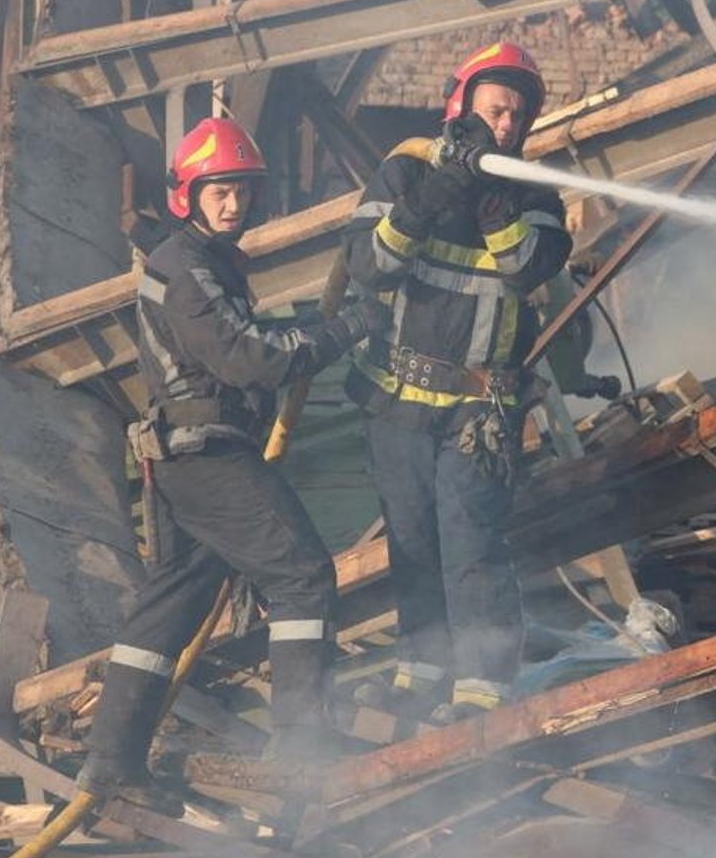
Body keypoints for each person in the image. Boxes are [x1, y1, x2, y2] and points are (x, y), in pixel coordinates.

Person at [79, 119, 381, 804]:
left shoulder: (203, 262)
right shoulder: (185, 270)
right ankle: (301, 744)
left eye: (243, 191)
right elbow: (250, 357)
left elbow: (248, 342)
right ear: (188, 195)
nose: (234, 204)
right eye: (220, 191)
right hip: (208, 456)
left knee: (168, 611)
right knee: (303, 573)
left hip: (188, 460)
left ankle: (110, 761)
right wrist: (346, 327)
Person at [342, 43, 570, 723]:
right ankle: (423, 670)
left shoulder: (533, 194)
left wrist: (489, 195)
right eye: (495, 110)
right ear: (462, 106)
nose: (505, 125)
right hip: (397, 401)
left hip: (477, 410)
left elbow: (528, 266)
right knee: (411, 542)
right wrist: (435, 194)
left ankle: (482, 690)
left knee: (472, 544)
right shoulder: (404, 170)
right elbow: (367, 264)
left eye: (516, 116)